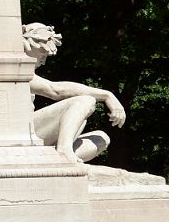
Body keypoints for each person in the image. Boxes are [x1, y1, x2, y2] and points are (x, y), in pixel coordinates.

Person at [21, 23, 126, 162]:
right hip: (22, 134)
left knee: (101, 138)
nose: (44, 61)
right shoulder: (15, 71)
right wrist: (107, 95)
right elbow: (55, 90)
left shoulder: (23, 73)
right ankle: (64, 151)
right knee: (85, 101)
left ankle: (54, 157)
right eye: (43, 53)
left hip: (33, 135)